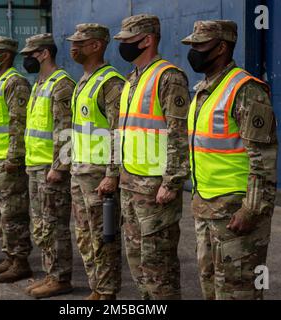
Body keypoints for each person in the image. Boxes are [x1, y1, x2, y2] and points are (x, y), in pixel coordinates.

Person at [182, 20, 278, 300]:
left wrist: (251, 210)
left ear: (221, 47)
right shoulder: (204, 89)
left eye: (199, 45)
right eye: (192, 45)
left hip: (236, 213)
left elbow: (264, 159)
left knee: (239, 291)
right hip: (207, 209)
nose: (193, 52)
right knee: (211, 288)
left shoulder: (245, 90)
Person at [114, 14, 190, 300]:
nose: (122, 46)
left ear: (146, 40)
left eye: (127, 40)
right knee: (138, 264)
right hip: (130, 184)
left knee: (159, 267)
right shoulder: (132, 79)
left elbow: (178, 134)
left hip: (155, 188)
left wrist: (171, 182)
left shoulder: (169, 77)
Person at [66, 23, 125, 300]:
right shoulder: (83, 80)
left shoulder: (111, 82)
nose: (73, 47)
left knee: (104, 237)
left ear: (97, 45)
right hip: (80, 171)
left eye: (80, 42)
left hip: (99, 174)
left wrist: (112, 174)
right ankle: (96, 287)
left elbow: (118, 133)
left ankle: (107, 291)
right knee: (84, 235)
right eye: (72, 42)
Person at [20, 33, 75, 298]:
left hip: (50, 170)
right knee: (42, 224)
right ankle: (50, 274)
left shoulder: (61, 84)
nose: (26, 59)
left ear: (44, 53)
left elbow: (65, 131)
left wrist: (59, 167)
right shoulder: (39, 83)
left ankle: (61, 277)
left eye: (30, 54)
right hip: (35, 166)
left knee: (55, 225)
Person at [0, 36, 33, 283]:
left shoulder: (15, 83)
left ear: (6, 55)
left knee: (13, 213)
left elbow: (18, 123)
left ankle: (20, 261)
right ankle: (9, 257)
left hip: (7, 161)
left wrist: (14, 157)